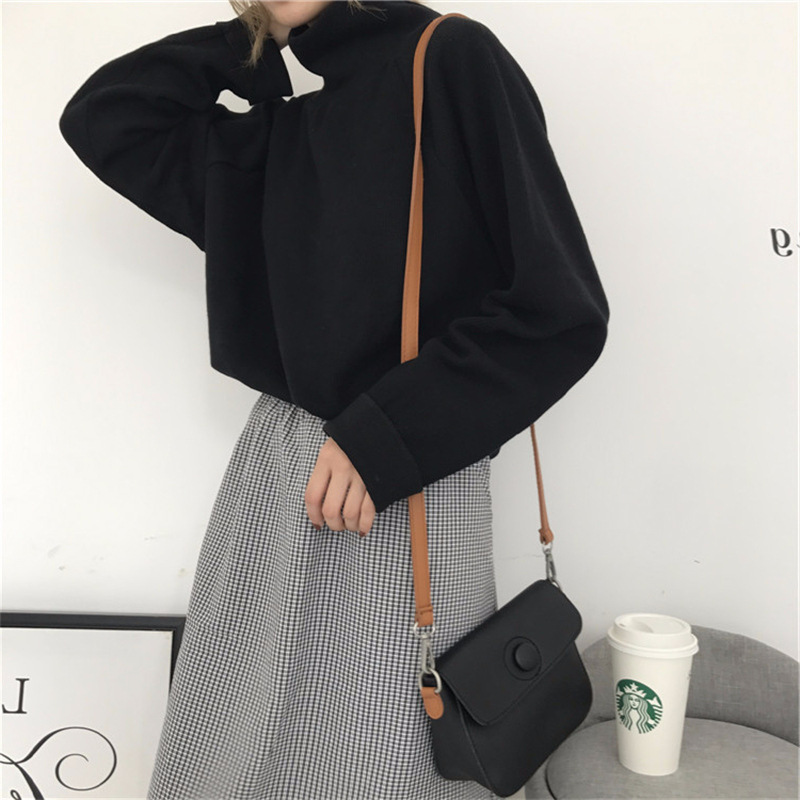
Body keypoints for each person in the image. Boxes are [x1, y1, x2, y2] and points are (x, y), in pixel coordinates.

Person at [58, 0, 610, 797]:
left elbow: (558, 312)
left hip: (409, 480)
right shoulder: (282, 130)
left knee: (388, 768)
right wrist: (254, 42)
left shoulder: (451, 59)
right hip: (275, 475)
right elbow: (106, 119)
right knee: (232, 757)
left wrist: (379, 439)